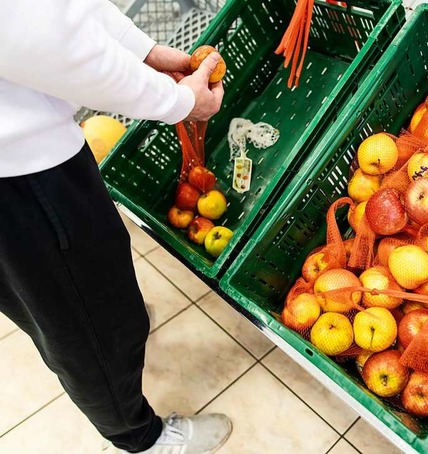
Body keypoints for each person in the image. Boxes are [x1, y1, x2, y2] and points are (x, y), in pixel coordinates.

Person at [0, 1, 231, 453]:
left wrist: (141, 50)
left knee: (57, 301)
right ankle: (141, 438)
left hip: (20, 154)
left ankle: (114, 339)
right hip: (18, 174)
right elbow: (40, 35)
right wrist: (179, 101)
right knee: (82, 323)